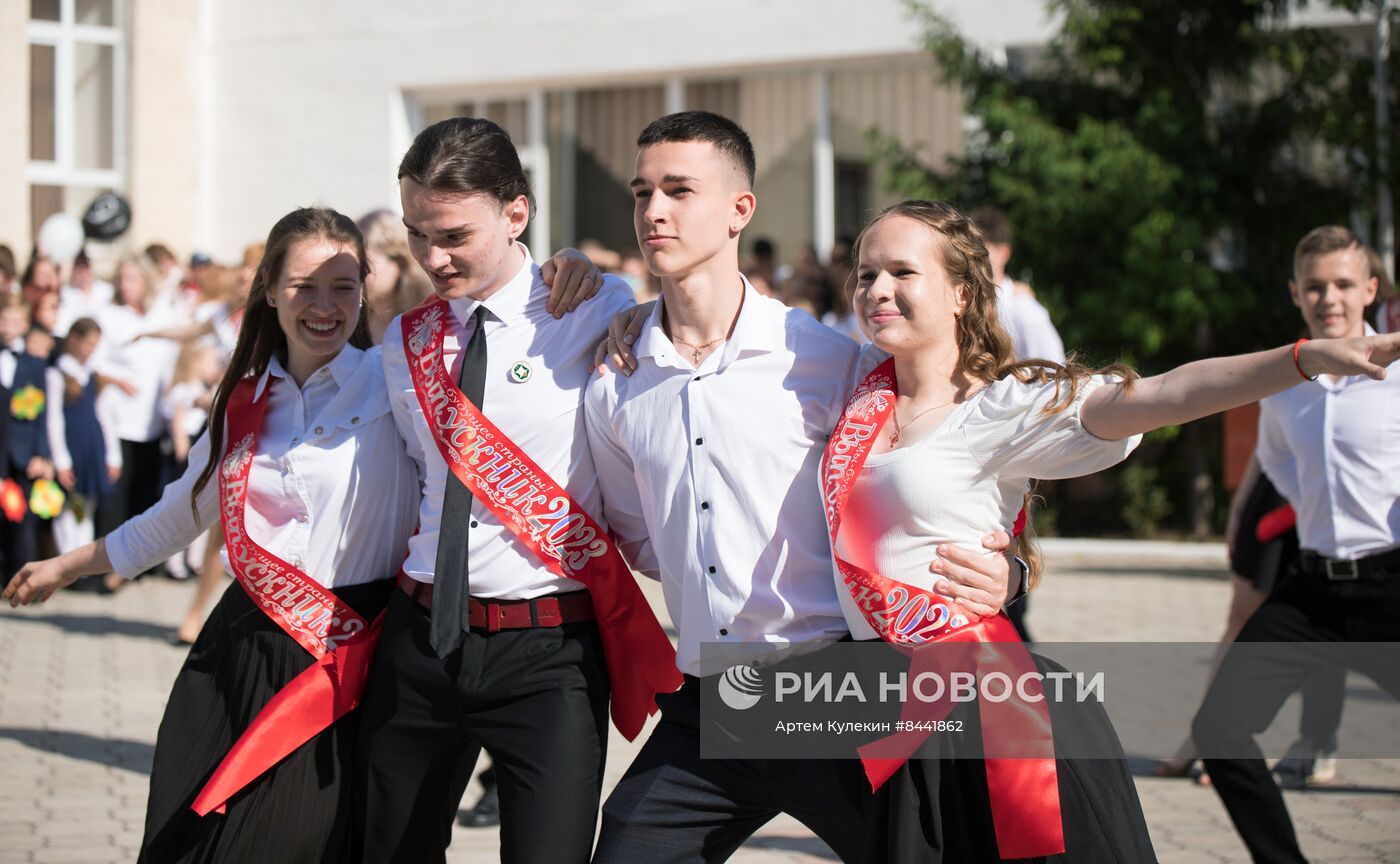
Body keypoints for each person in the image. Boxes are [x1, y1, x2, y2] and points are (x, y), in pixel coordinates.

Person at [585, 112, 1018, 863]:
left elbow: (942, 468)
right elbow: (645, 540)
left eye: (679, 190)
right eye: (643, 191)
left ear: (738, 210)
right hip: (707, 705)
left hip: (832, 692)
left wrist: (1009, 566)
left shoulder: (827, 360)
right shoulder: (616, 383)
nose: (654, 211)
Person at [3, 207, 424, 862]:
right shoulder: (246, 401)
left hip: (354, 665)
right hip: (241, 660)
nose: (325, 305)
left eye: (343, 285)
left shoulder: (399, 382)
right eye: (303, 286)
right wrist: (67, 567)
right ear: (268, 290)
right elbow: (178, 515)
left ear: (366, 289)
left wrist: (576, 280)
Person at [354, 116, 677, 864]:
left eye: (455, 236)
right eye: (417, 234)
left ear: (516, 213)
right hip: (422, 639)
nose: (433, 257)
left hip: (549, 653)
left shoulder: (594, 309)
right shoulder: (404, 345)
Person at [1193, 225, 1400, 864]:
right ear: (1295, 293)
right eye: (1315, 286)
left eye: (1342, 283)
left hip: (1390, 586)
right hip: (1310, 592)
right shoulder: (1286, 385)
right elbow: (1280, 467)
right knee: (1219, 732)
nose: (1329, 297)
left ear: (1369, 288)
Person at [45, 317, 121, 558]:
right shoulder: (57, 374)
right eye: (88, 343)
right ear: (74, 340)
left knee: (87, 506)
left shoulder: (92, 376)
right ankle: (66, 558)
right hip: (73, 447)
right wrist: (61, 460)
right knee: (68, 506)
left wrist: (113, 454)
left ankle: (80, 561)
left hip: (93, 446)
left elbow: (103, 415)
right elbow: (54, 418)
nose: (91, 350)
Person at [0, 293, 53, 583]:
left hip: (22, 450)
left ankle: (19, 578)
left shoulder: (34, 364)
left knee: (21, 516)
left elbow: (42, 415)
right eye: (3, 319)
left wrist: (42, 454)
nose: (7, 325)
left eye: (14, 321)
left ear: (25, 326)